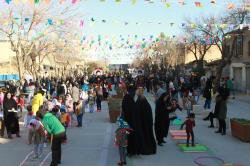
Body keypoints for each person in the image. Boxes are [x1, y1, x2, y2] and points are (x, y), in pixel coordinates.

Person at [121, 84, 141, 155]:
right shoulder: (129, 98)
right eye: (135, 91)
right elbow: (127, 111)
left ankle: (130, 150)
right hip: (130, 121)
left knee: (129, 137)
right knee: (130, 137)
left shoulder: (128, 98)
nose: (136, 92)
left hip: (128, 121)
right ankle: (130, 151)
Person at [135, 87, 156, 155]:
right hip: (146, 121)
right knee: (148, 134)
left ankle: (146, 148)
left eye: (137, 91)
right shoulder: (143, 99)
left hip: (143, 122)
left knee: (145, 135)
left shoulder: (140, 100)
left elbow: (138, 111)